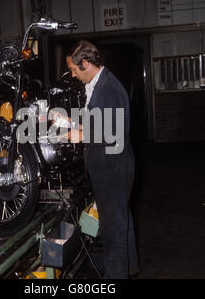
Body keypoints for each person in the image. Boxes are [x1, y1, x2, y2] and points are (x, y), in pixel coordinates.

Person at [63, 40, 139, 279]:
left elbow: (114, 130)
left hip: (112, 167)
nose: (73, 75)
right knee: (120, 217)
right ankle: (130, 266)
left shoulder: (108, 88)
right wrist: (72, 124)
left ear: (85, 63)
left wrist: (80, 135)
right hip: (111, 165)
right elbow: (101, 121)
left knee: (112, 228)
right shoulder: (99, 85)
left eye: (74, 70)